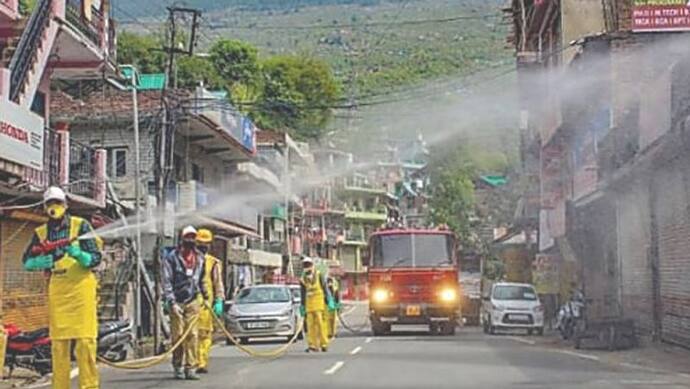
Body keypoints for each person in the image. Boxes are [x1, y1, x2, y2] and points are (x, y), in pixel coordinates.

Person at [22, 186, 103, 389]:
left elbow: (95, 259)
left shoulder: (80, 226)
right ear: (44, 207)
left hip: (82, 291)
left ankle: (89, 386)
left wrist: (77, 254)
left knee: (85, 344)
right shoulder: (40, 232)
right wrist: (45, 261)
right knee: (59, 347)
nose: (54, 207)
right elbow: (26, 262)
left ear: (66, 205)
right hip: (58, 292)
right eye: (50, 203)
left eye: (58, 202)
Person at [162, 226, 208, 380]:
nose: (190, 241)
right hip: (177, 301)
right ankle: (178, 366)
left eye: (193, 237)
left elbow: (202, 279)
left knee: (193, 335)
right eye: (187, 237)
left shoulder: (200, 258)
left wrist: (206, 296)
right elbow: (166, 281)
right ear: (181, 239)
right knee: (178, 336)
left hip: (192, 300)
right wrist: (172, 303)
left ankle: (191, 367)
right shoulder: (171, 258)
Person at [195, 229, 224, 374]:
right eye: (200, 243)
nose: (203, 246)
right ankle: (190, 361)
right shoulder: (187, 259)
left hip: (206, 304)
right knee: (189, 334)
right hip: (189, 302)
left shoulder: (213, 263)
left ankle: (201, 362)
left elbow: (218, 283)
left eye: (206, 243)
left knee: (205, 334)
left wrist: (219, 299)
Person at [299, 257, 336, 352]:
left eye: (308, 265)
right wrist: (302, 306)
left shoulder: (319, 275)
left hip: (319, 304)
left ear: (312, 265)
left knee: (320, 323)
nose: (307, 267)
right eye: (305, 265)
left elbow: (325, 288)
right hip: (309, 304)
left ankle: (324, 344)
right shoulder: (303, 279)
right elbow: (302, 293)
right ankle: (312, 345)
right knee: (310, 325)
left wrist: (329, 301)